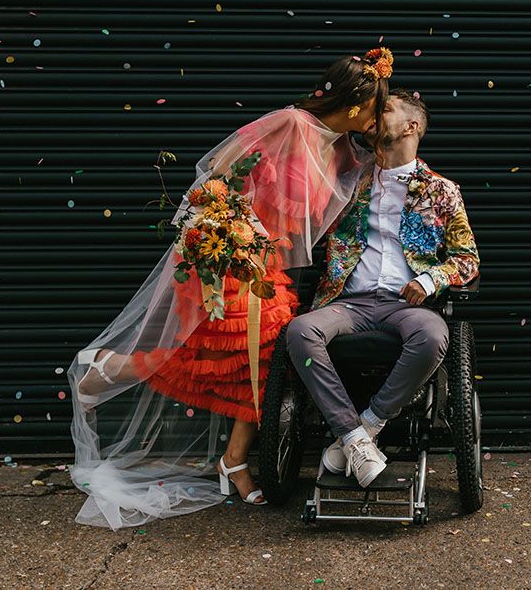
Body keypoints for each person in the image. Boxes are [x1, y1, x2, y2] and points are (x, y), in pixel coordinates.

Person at [66, 48, 393, 528]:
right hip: (228, 258)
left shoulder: (343, 149)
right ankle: (103, 372)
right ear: (355, 101)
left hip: (267, 269)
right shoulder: (291, 123)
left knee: (269, 356)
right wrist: (231, 229)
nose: (376, 115)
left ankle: (233, 459)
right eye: (375, 104)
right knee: (206, 355)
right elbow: (216, 170)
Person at [286, 88, 480, 488]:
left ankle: (364, 429)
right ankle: (355, 438)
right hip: (349, 303)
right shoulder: (349, 182)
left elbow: (467, 260)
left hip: (405, 307)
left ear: (412, 126)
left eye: (384, 108)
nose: (373, 115)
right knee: (300, 331)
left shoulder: (441, 191)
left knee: (432, 336)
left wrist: (429, 279)